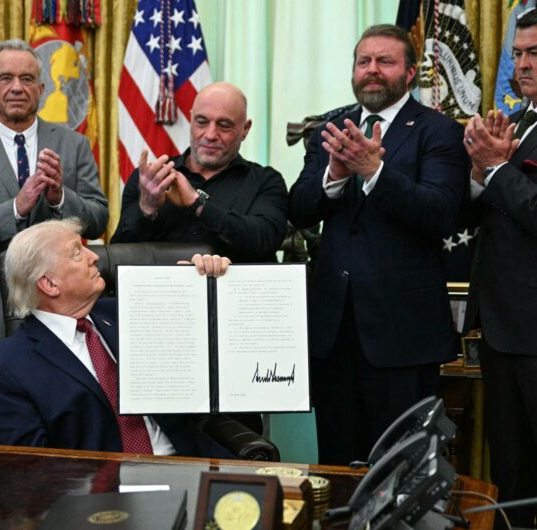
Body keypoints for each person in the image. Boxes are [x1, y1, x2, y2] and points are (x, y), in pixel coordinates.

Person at [289, 24, 468, 465]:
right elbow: (299, 209)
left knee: (399, 469)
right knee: (337, 464)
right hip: (334, 333)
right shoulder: (330, 128)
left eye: (385, 61)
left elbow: (440, 213)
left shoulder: (439, 131)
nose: (372, 70)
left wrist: (374, 172)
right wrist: (333, 175)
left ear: (410, 73)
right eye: (363, 61)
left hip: (403, 335)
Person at [0, 39, 108, 438]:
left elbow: (98, 219)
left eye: (27, 78)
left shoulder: (74, 145)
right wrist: (16, 207)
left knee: (74, 420)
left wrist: (59, 197)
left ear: (41, 89)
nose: (17, 87)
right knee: (3, 432)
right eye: (6, 78)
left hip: (68, 309)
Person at [0, 219, 233, 458]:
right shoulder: (7, 368)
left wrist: (200, 285)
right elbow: (29, 468)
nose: (95, 257)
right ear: (50, 284)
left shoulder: (130, 310)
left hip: (187, 463)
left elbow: (208, 345)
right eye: (77, 252)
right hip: (99, 485)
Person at [461, 9, 537, 527]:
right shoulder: (522, 120)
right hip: (503, 327)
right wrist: (478, 173)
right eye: (518, 53)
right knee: (512, 469)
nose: (523, 64)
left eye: (535, 53)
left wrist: (497, 169)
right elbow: (488, 213)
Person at [111, 82, 288, 264]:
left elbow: (265, 241)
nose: (210, 135)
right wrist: (147, 207)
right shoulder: (152, 179)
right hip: (161, 283)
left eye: (224, 125)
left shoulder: (266, 181)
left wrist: (198, 203)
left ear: (245, 129)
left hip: (234, 283)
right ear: (191, 120)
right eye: (202, 122)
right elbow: (118, 255)